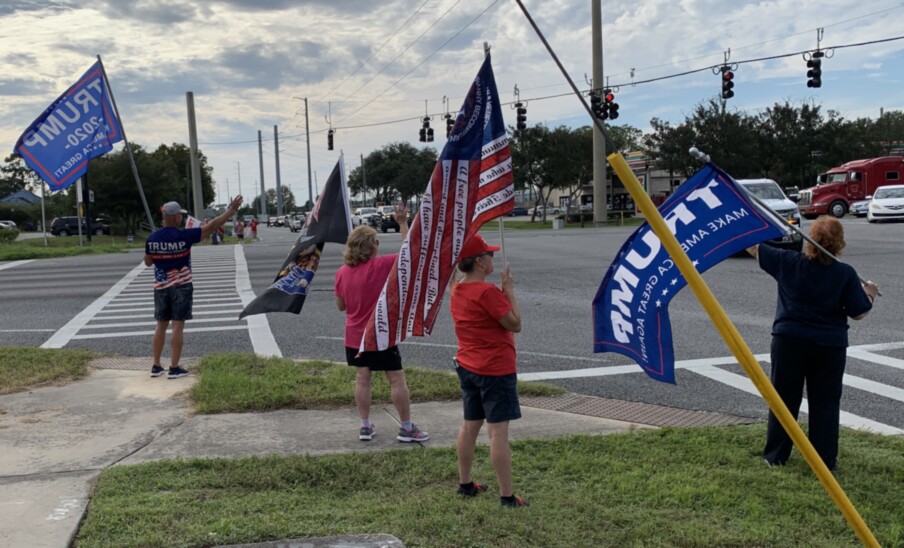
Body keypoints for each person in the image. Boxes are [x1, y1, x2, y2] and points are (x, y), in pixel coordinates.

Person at [748, 217, 878, 471]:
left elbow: (755, 249)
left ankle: (775, 455)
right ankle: (824, 460)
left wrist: (747, 225)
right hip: (828, 346)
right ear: (841, 243)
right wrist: (870, 292)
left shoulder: (788, 262)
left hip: (789, 341)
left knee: (783, 399)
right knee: (826, 402)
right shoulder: (845, 273)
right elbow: (859, 312)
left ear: (810, 241)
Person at [334, 203, 429, 443]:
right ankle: (406, 427)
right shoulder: (382, 265)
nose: (378, 246)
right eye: (376, 242)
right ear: (371, 247)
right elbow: (411, 255)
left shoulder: (342, 272)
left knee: (362, 378)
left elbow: (341, 305)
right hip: (380, 332)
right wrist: (403, 223)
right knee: (396, 378)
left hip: (354, 335)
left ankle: (365, 425)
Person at [450, 233, 527, 507]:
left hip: (468, 366)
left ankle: (465, 483)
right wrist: (509, 292)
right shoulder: (488, 292)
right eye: (490, 255)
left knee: (470, 425)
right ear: (480, 263)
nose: (493, 257)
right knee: (498, 433)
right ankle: (507, 496)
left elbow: (452, 279)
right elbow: (514, 324)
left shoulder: (457, 289)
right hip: (495, 369)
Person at [144, 196, 243, 379]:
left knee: (161, 326)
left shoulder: (152, 239)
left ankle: (156, 365)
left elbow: (148, 262)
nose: (182, 218)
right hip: (181, 286)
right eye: (180, 216)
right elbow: (211, 226)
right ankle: (174, 368)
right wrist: (230, 211)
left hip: (160, 287)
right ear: (175, 218)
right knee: (177, 327)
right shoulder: (184, 236)